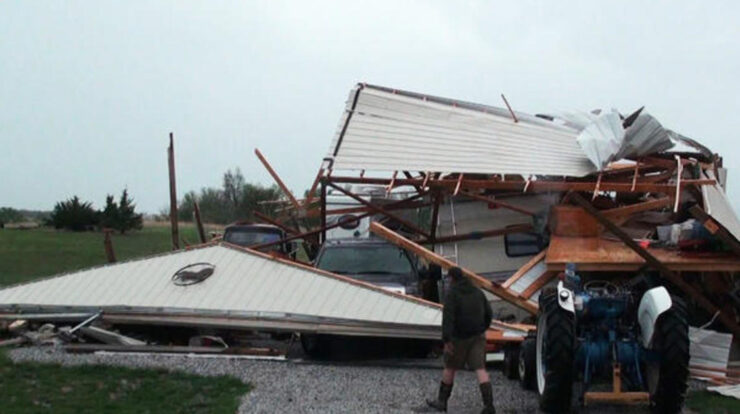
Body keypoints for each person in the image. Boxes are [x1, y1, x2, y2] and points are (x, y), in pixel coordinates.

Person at [426, 266, 495, 413]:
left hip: (458, 338)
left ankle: (442, 402)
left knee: (450, 367)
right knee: (480, 369)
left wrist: (446, 339)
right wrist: (483, 328)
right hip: (478, 336)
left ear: (452, 278)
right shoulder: (477, 291)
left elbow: (448, 318)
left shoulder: (453, 294)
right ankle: (489, 405)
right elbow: (489, 312)